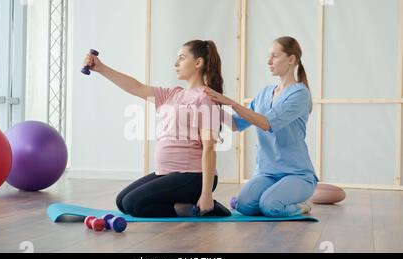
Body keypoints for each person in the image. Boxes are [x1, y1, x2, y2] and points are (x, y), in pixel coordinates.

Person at [83, 40, 231, 217]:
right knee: (122, 202)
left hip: (194, 176)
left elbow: (209, 148)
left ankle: (197, 207)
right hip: (168, 173)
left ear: (198, 63)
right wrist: (101, 68)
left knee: (133, 204)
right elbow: (136, 87)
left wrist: (206, 193)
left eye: (182, 58)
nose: (176, 63)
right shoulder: (172, 94)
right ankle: (183, 206)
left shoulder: (205, 99)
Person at [204, 36, 318, 217]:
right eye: (268, 56)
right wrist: (211, 106)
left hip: (296, 175)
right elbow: (236, 124)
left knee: (270, 206)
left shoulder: (300, 94)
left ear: (291, 59)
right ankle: (272, 196)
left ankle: (301, 205)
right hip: (267, 172)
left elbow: (266, 123)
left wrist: (229, 102)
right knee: (243, 206)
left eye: (275, 56)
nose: (269, 61)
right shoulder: (265, 92)